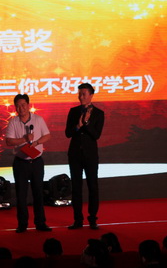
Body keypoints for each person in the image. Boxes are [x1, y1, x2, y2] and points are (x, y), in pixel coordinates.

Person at [5, 94, 52, 233]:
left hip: (36, 161)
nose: (21, 108)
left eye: (23, 105)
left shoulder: (38, 119)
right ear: (15, 108)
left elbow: (47, 135)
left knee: (38, 193)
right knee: (21, 194)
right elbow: (9, 141)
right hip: (20, 162)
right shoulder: (13, 122)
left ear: (28, 105)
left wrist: (36, 142)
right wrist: (24, 139)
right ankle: (22, 224)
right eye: (18, 106)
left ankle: (40, 223)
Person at [65, 83, 105, 230]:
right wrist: (78, 126)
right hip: (75, 154)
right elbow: (68, 133)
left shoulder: (99, 113)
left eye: (84, 94)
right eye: (79, 94)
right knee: (76, 188)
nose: (81, 97)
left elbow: (96, 135)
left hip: (90, 155)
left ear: (91, 95)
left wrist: (86, 123)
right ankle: (78, 220)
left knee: (92, 186)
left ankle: (93, 219)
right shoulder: (73, 111)